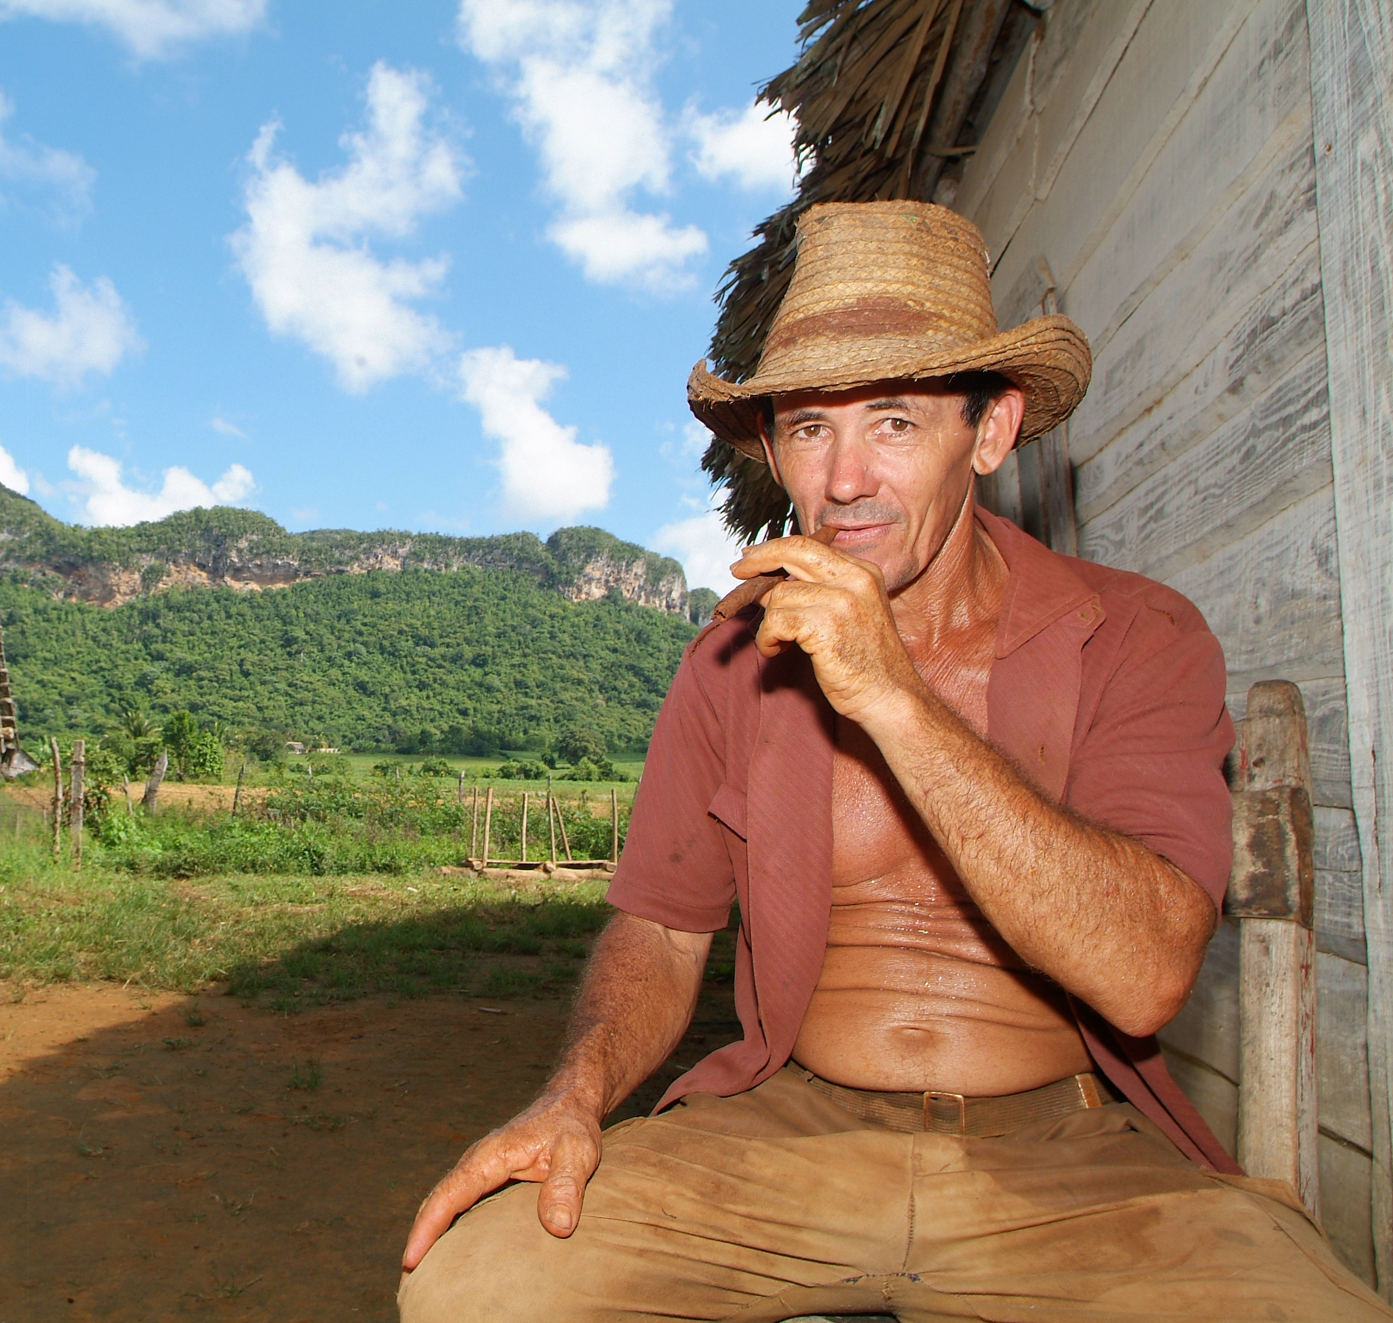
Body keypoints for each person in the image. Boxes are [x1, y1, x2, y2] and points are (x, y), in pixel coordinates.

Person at [398, 201, 1389, 1322]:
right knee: (471, 1289)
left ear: (991, 431)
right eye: (808, 430)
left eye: (895, 423)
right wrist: (573, 1096)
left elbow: (1146, 974)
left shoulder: (1134, 635)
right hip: (785, 1136)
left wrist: (893, 699)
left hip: (1070, 1163)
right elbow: (663, 932)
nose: (845, 480)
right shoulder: (731, 659)